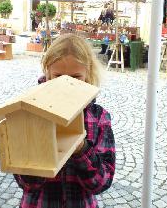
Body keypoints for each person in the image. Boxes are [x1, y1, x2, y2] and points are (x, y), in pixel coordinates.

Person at [14, 33, 116, 208]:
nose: (66, 85)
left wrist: (81, 149)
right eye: (58, 76)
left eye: (75, 77)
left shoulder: (98, 118)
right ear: (47, 74)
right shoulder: (31, 113)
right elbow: (27, 183)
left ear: (88, 74)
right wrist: (42, 148)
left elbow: (102, 183)